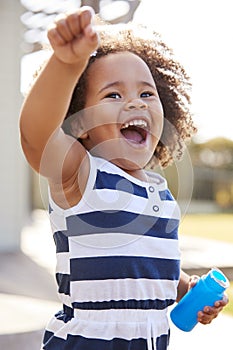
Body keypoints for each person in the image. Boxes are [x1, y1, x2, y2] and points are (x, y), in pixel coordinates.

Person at [19, 6, 228, 350]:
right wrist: (67, 64)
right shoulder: (80, 176)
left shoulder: (160, 195)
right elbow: (36, 135)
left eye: (147, 93)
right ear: (80, 123)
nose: (137, 103)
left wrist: (187, 289)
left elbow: (150, 265)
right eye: (113, 95)